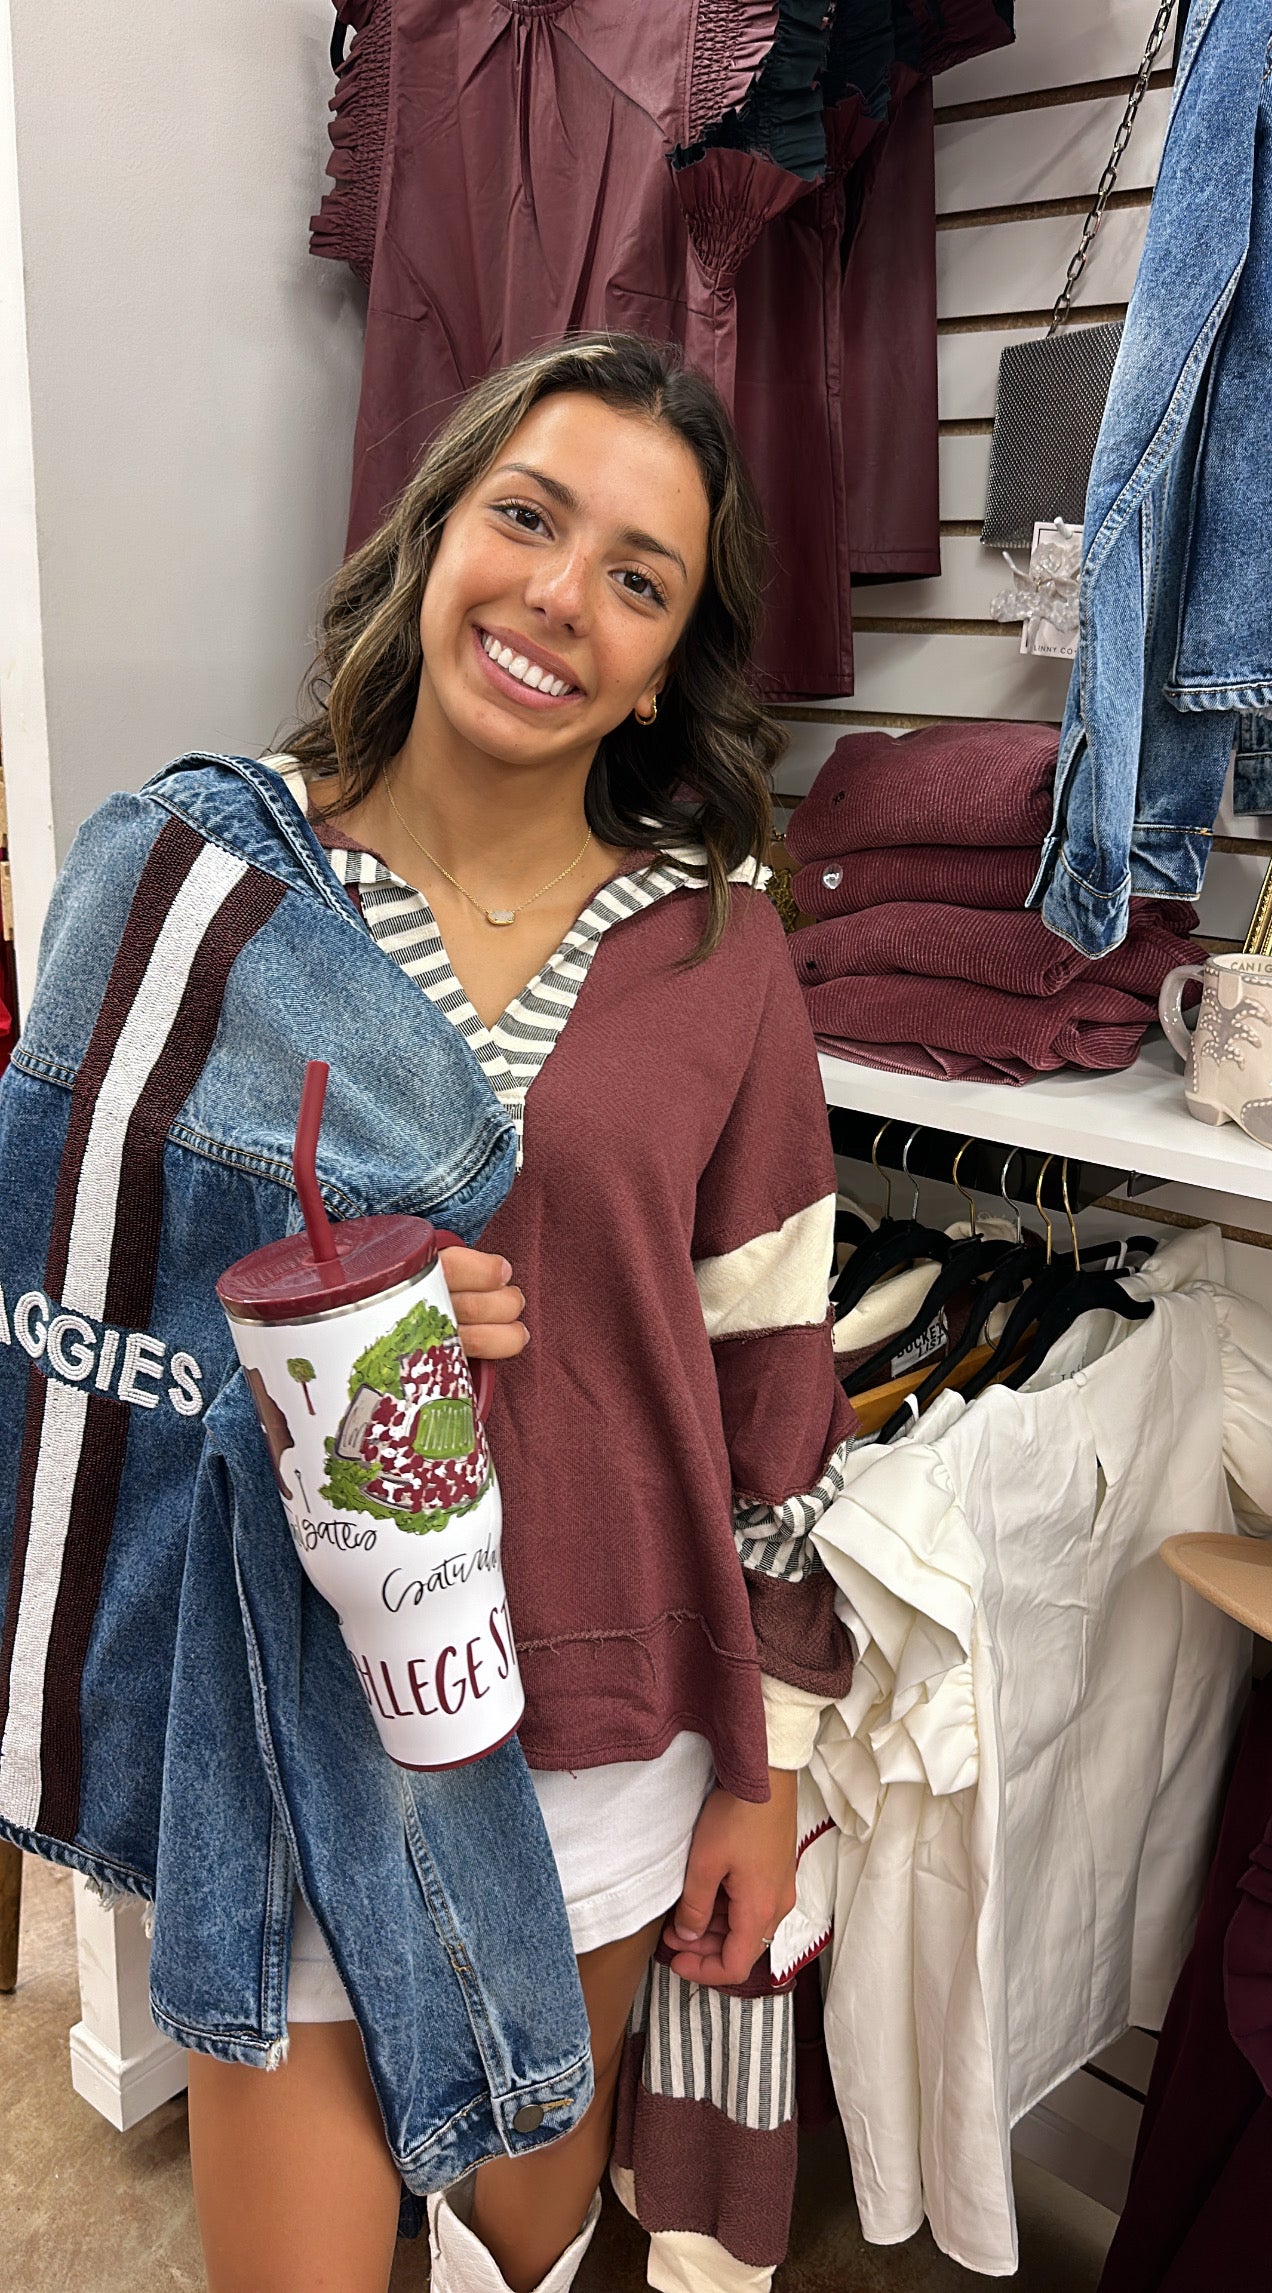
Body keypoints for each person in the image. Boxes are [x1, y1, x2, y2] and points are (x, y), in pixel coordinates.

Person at [187, 333, 854, 2293]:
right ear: (437, 527)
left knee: (519, 2266)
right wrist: (269, 1337)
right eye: (530, 517)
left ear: (668, 657)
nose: (564, 597)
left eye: (638, 577)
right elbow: (58, 1296)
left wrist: (769, 1765)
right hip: (278, 1711)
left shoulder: (724, 944)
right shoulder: (223, 884)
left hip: (596, 1727)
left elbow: (777, 1374)